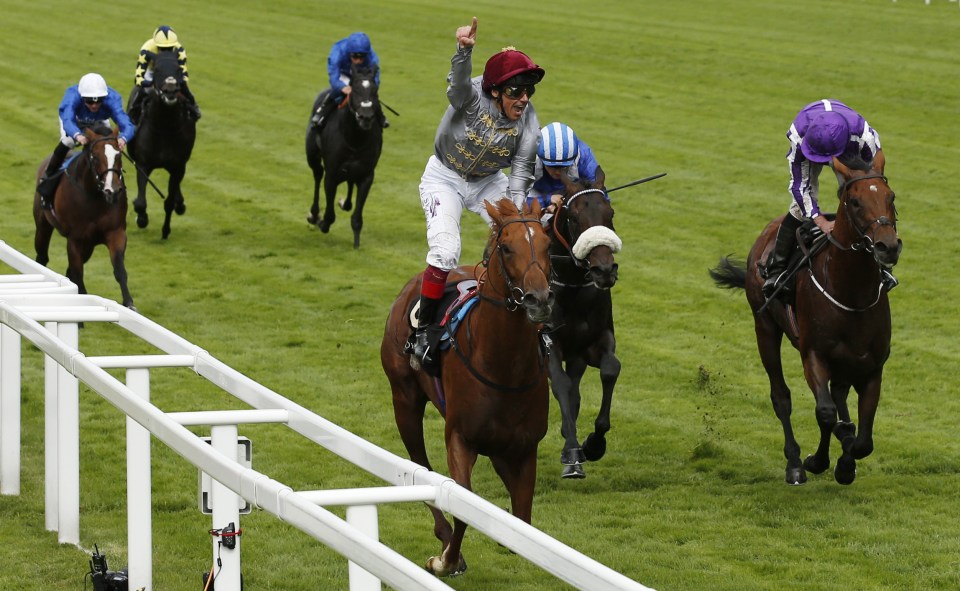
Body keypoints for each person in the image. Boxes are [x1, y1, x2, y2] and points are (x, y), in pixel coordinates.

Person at [409, 16, 544, 370]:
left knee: (527, 236)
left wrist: (514, 220)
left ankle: (539, 323)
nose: (524, 99)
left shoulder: (529, 121)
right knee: (446, 249)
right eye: (515, 91)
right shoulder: (471, 95)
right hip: (445, 177)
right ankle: (423, 334)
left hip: (488, 181)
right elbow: (455, 87)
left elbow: (520, 174)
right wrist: (462, 51)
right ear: (495, 91)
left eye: (528, 90)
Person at [764, 98, 897, 298]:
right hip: (813, 140)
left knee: (867, 202)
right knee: (799, 208)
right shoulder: (799, 136)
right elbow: (800, 187)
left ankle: (883, 267)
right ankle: (777, 270)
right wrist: (821, 222)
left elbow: (874, 183)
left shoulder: (864, 137)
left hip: (848, 147)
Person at [36, 73, 135, 208]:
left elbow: (127, 124)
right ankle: (47, 179)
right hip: (74, 120)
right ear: (82, 98)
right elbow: (68, 120)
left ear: (104, 98)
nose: (94, 105)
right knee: (68, 142)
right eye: (89, 101)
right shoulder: (72, 98)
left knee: (107, 147)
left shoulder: (112, 99)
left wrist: (123, 138)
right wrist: (77, 135)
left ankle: (112, 181)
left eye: (98, 101)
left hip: (99, 120)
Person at [526, 121, 606, 222]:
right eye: (553, 167)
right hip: (534, 190)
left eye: (564, 167)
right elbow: (515, 199)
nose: (559, 172)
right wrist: (546, 200)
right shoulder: (527, 157)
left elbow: (600, 198)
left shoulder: (584, 156)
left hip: (573, 191)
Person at [310, 32, 387, 130]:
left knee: (367, 92)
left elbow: (375, 77)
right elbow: (334, 77)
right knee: (338, 92)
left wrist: (372, 88)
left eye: (362, 57)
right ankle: (321, 111)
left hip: (361, 74)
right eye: (355, 56)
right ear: (349, 53)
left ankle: (381, 116)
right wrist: (342, 87)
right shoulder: (337, 52)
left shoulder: (372, 57)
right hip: (343, 73)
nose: (358, 61)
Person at [127, 25, 201, 123]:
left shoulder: (180, 50)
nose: (167, 51)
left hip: (171, 73)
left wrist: (180, 84)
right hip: (152, 72)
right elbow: (138, 79)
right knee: (139, 90)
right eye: (162, 48)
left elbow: (184, 76)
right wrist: (150, 83)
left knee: (185, 90)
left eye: (170, 48)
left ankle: (194, 109)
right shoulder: (147, 49)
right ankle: (132, 113)